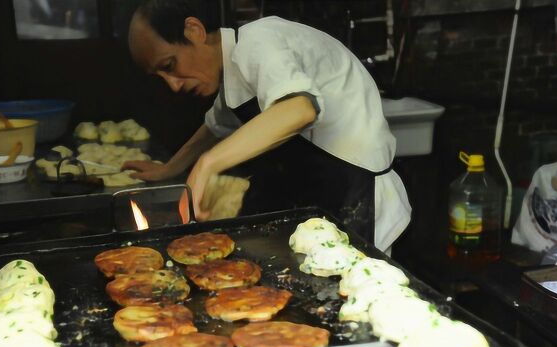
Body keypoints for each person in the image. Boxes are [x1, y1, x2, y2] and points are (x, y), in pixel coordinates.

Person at [123, 0, 411, 253]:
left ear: (194, 31)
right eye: (160, 76)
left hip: (357, 190)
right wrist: (169, 169)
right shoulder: (234, 75)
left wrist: (207, 165)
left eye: (170, 65)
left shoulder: (257, 41)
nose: (172, 85)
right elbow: (214, 127)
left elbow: (300, 108)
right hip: (319, 193)